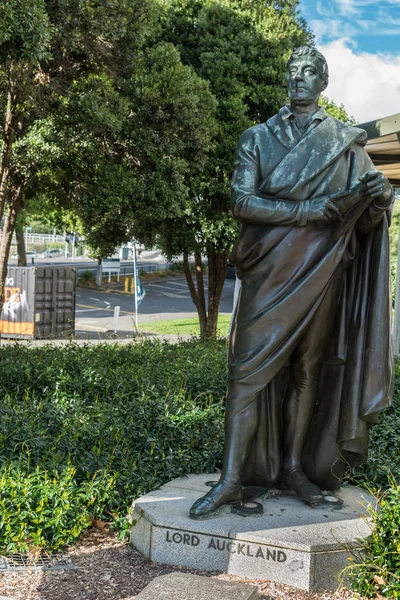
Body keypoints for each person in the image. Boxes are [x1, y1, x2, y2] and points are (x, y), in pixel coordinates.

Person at [190, 45, 394, 520]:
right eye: (293, 70)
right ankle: (231, 478)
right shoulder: (257, 138)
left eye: (309, 71)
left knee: (308, 369)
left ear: (323, 82)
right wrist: (304, 212)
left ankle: (295, 467)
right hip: (268, 272)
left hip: (323, 273)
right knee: (246, 373)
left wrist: (380, 202)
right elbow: (242, 202)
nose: (299, 77)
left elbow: (361, 226)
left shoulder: (346, 145)